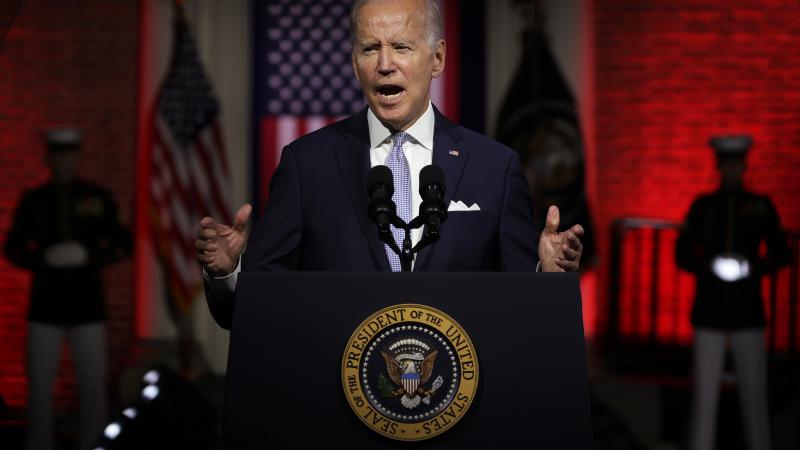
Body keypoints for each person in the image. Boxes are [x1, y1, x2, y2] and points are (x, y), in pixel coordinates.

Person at [195, 0, 585, 330]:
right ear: (354, 64)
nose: (384, 64)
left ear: (437, 58)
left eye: (401, 46)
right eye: (369, 48)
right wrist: (228, 275)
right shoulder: (306, 164)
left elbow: (521, 307)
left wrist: (546, 279)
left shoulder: (494, 167)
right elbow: (260, 308)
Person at [5, 128, 131, 450]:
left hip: (87, 304)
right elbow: (13, 248)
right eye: (57, 154)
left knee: (92, 385)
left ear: (77, 157)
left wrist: (90, 256)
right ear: (49, 157)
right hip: (45, 305)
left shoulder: (97, 197)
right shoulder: (35, 200)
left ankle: (93, 445)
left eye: (69, 153)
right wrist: (41, 259)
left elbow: (122, 244)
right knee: (40, 387)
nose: (63, 160)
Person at [677, 135, 790, 450]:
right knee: (704, 400)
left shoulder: (760, 206)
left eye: (736, 162)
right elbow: (682, 253)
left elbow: (782, 253)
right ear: (719, 166)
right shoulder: (703, 207)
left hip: (747, 311)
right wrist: (707, 266)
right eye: (726, 162)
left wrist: (753, 267)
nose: (731, 168)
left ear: (743, 165)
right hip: (710, 310)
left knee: (755, 397)